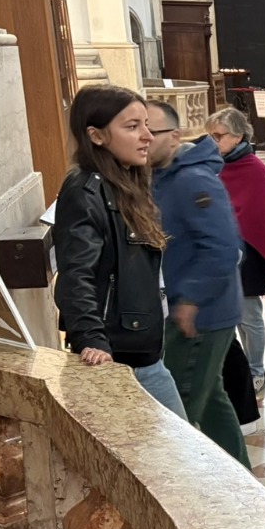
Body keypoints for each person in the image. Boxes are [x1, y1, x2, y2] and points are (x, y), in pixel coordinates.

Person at [54, 87, 182, 417]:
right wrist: (91, 340)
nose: (147, 136)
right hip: (118, 359)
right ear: (96, 136)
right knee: (178, 446)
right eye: (132, 127)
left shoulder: (126, 183)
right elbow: (76, 275)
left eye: (146, 125)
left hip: (145, 353)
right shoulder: (85, 191)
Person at [151, 114, 249, 467]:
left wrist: (190, 299)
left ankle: (194, 491)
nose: (144, 137)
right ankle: (243, 483)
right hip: (187, 308)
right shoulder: (161, 175)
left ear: (174, 136)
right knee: (211, 402)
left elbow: (224, 249)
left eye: (150, 130)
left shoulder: (192, 179)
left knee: (180, 409)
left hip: (200, 316)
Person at [208, 107, 265, 398]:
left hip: (249, 255)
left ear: (238, 136)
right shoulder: (213, 166)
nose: (213, 141)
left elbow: (261, 217)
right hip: (216, 253)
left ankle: (256, 372)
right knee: (221, 316)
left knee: (248, 317)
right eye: (210, 136)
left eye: (218, 136)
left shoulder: (255, 169)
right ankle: (230, 370)